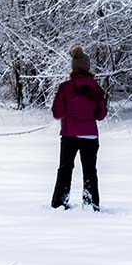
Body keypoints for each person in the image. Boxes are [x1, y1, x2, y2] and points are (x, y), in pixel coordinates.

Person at [50, 46, 107, 211]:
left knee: (65, 168)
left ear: (73, 67)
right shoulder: (96, 88)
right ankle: (91, 203)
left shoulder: (65, 87)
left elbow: (57, 112)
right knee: (90, 170)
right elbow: (100, 115)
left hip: (69, 135)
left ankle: (59, 202)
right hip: (90, 136)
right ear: (88, 67)